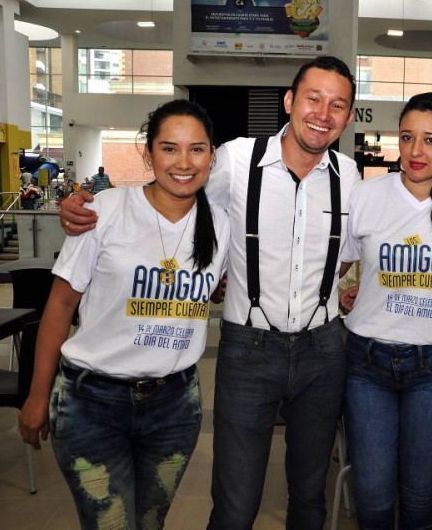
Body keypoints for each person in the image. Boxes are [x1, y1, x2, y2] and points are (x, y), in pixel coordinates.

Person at [58, 55, 360, 529]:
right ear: (289, 101)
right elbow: (175, 184)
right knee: (236, 503)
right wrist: (89, 203)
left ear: (348, 116)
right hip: (249, 348)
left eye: (337, 105)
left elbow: (349, 250)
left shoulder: (351, 175)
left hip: (324, 349)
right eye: (313, 99)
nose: (323, 113)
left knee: (310, 495)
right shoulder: (236, 160)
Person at [18, 99, 230, 528]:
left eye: (197, 149)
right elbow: (59, 306)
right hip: (91, 402)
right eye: (169, 148)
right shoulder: (103, 211)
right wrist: (37, 394)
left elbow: (219, 286)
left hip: (175, 406)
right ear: (148, 152)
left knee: (150, 523)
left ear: (212, 155)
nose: (183, 162)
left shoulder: (222, 224)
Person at [338, 92, 432, 529]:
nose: (416, 152)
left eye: (430, 140)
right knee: (372, 491)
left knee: (421, 491)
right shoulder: (366, 196)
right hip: (367, 363)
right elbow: (335, 268)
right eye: (407, 138)